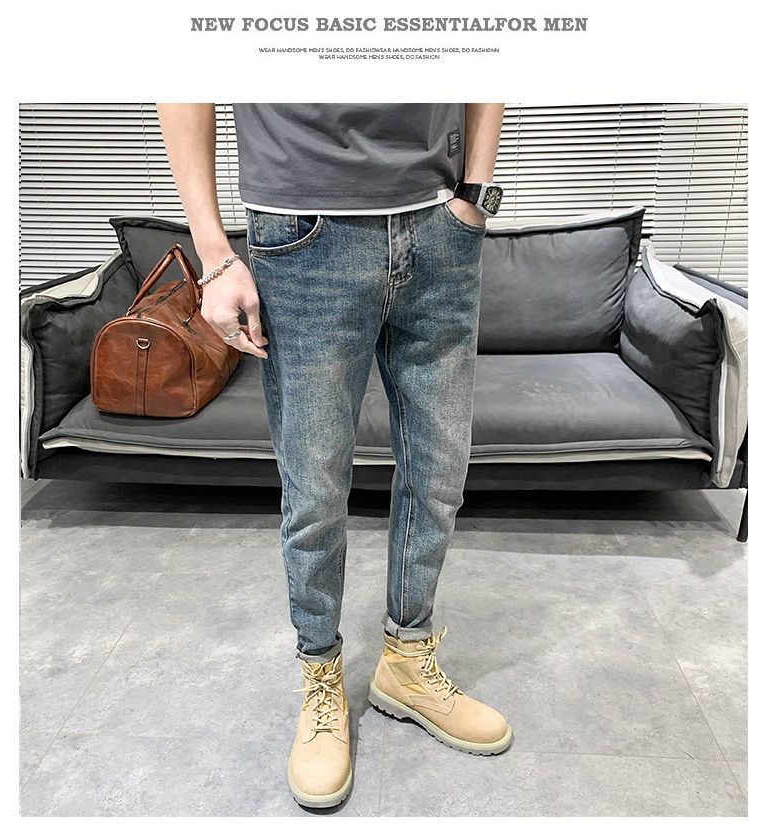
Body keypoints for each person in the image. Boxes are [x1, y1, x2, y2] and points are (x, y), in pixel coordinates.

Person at [157, 103, 512, 809]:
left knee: (439, 473)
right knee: (315, 489)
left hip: (439, 227)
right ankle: (320, 673)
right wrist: (214, 253)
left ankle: (407, 659)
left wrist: (474, 193)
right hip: (302, 234)